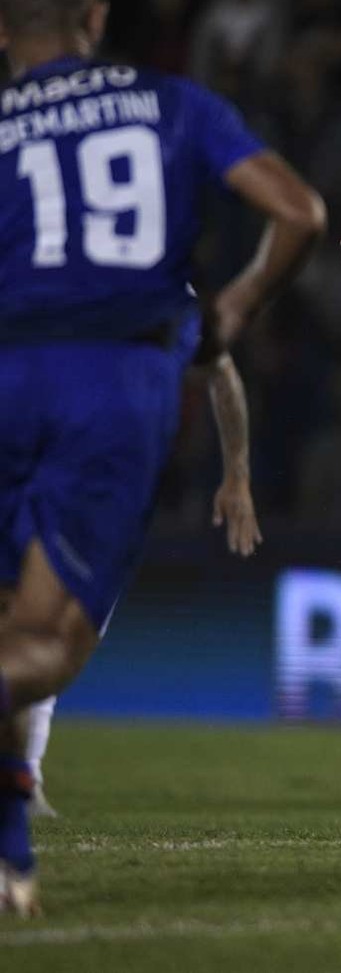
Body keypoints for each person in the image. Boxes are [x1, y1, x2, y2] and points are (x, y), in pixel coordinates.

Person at [0, 0, 325, 915]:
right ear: (95, 17)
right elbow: (299, 211)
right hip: (113, 376)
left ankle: (10, 852)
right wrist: (236, 304)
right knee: (48, 643)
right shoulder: (171, 102)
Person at [23, 347, 265, 819]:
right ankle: (23, 776)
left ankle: (23, 775)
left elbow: (221, 370)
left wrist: (237, 476)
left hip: (110, 490)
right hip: (34, 465)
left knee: (66, 636)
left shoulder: (167, 304)